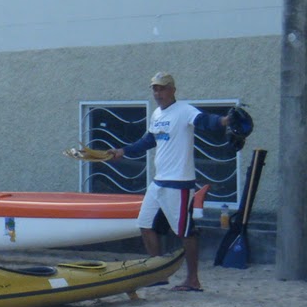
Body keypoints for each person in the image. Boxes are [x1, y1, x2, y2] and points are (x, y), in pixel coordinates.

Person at [88, 72, 251, 292]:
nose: (158, 93)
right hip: (158, 182)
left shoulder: (184, 110)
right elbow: (148, 140)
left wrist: (224, 121)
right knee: (144, 224)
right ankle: (158, 274)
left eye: (162, 88)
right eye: (155, 89)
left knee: (185, 231)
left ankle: (193, 280)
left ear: (173, 90)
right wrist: (122, 151)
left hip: (179, 183)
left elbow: (205, 121)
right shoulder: (157, 114)